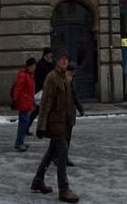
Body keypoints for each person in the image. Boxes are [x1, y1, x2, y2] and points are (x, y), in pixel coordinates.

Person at [31, 52, 80, 203]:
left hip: (63, 122)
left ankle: (38, 180)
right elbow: (45, 102)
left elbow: (68, 101)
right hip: (55, 122)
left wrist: (71, 119)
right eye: (62, 59)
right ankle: (63, 189)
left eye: (67, 59)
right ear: (56, 61)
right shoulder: (52, 77)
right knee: (62, 153)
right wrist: (41, 125)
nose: (65, 61)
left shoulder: (65, 77)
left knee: (51, 153)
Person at [27, 48, 54, 134]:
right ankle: (28, 127)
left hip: (50, 89)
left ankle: (44, 128)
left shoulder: (52, 63)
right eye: (49, 53)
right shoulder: (40, 64)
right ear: (46, 54)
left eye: (51, 53)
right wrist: (42, 88)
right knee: (38, 110)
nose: (51, 55)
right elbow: (37, 78)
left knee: (44, 110)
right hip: (42, 90)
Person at [13, 57, 37, 152]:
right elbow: (18, 87)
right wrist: (15, 99)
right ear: (29, 66)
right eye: (33, 65)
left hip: (27, 101)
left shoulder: (30, 75)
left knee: (24, 123)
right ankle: (19, 143)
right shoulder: (24, 75)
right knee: (23, 123)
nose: (34, 67)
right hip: (23, 102)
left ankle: (20, 142)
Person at [64, 62, 85, 167]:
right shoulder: (61, 81)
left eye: (73, 73)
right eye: (71, 73)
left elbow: (75, 96)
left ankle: (62, 157)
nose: (72, 75)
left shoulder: (72, 81)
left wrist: (80, 108)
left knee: (66, 137)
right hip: (62, 114)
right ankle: (61, 157)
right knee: (61, 138)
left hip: (70, 113)